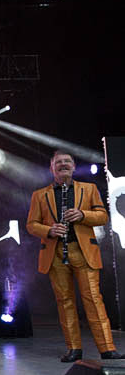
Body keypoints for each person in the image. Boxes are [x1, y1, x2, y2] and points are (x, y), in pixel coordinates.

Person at [27, 151, 124, 362]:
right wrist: (50, 230)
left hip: (83, 251)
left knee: (93, 299)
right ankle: (74, 349)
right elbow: (31, 225)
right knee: (65, 302)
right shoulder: (39, 195)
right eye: (58, 162)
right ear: (52, 168)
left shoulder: (89, 189)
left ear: (73, 166)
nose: (63, 164)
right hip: (55, 254)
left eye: (67, 161)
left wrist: (82, 215)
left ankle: (107, 348)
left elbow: (102, 216)